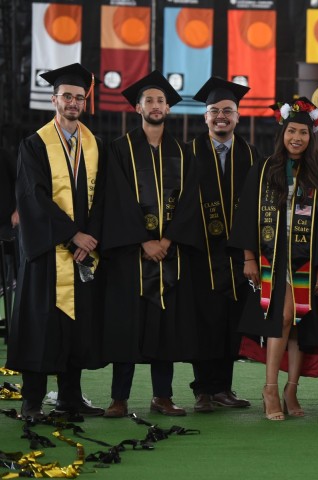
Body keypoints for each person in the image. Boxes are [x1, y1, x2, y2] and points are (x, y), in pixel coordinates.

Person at [101, 71, 201, 418]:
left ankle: (163, 396)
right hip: (131, 256)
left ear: (168, 108)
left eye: (161, 100)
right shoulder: (118, 150)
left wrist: (168, 239)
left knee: (165, 328)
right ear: (137, 107)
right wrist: (143, 241)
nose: (155, 105)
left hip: (170, 256)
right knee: (127, 327)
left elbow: (190, 202)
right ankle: (119, 397)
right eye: (149, 100)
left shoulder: (185, 153)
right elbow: (116, 199)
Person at [9, 63, 105, 418]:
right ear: (54, 100)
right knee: (41, 324)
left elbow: (102, 198)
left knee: (75, 325)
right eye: (67, 96)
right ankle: (31, 402)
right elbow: (33, 197)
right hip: (47, 254)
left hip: (81, 254)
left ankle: (70, 398)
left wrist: (90, 238)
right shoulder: (34, 145)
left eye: (79, 97)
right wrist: (71, 234)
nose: (73, 102)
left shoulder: (95, 146)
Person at [228, 98, 318, 421]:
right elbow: (246, 214)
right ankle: (270, 388)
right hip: (270, 258)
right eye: (292, 131)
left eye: (303, 132)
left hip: (302, 259)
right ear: (282, 133)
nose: (297, 138)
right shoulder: (262, 169)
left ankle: (291, 388)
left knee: (299, 324)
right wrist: (248, 257)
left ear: (310, 137)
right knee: (284, 317)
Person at [186, 77, 257, 413]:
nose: (221, 116)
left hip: (239, 257)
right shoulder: (189, 153)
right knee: (202, 323)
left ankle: (224, 388)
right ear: (205, 117)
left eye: (228, 110)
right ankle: (203, 389)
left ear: (238, 116)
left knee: (231, 323)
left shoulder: (252, 156)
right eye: (214, 111)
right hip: (201, 255)